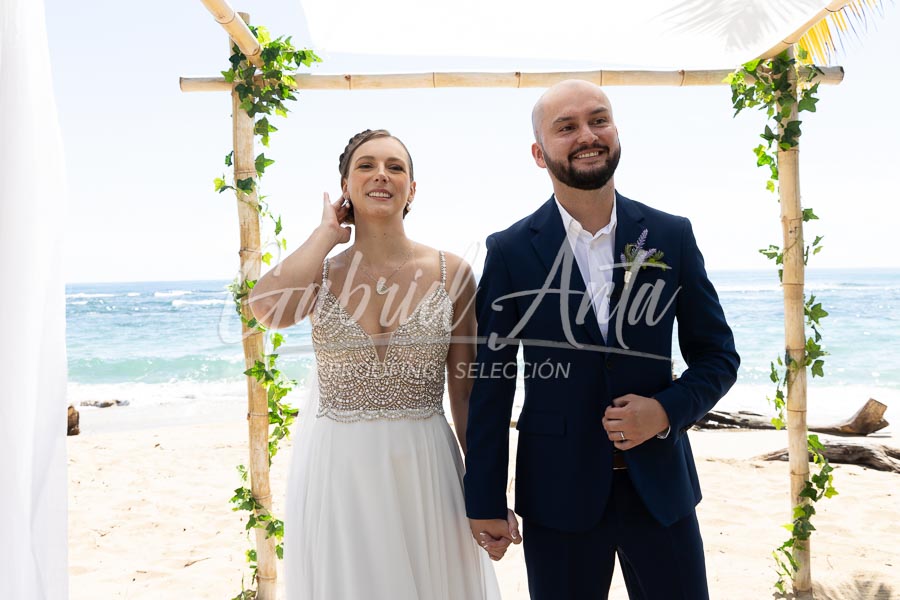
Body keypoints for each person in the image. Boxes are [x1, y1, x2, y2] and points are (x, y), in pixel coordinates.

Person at [464, 80, 740, 599]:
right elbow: (492, 382)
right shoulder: (509, 251)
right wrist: (484, 497)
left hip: (661, 491)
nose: (587, 135)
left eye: (599, 120)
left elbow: (718, 357)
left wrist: (665, 411)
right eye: (566, 127)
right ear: (539, 153)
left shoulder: (671, 235)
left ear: (616, 132)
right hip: (557, 495)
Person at [248, 129, 504, 599]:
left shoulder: (453, 272)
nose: (381, 174)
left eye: (395, 166)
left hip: (426, 467)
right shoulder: (319, 273)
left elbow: (465, 393)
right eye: (365, 166)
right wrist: (326, 235)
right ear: (345, 186)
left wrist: (486, 491)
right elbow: (266, 309)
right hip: (340, 471)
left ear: (412, 189)